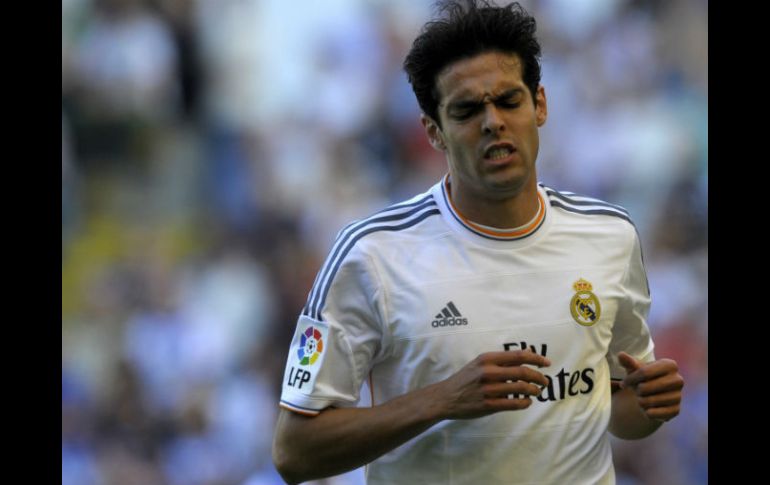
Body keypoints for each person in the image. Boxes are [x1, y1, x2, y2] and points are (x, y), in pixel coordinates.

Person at [272, 1, 684, 484]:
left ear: (541, 105)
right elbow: (294, 452)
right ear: (434, 132)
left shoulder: (611, 235)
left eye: (509, 100)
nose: (492, 122)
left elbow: (618, 407)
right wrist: (442, 399)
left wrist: (651, 404)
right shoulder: (371, 255)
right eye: (467, 110)